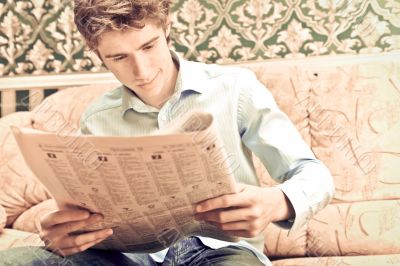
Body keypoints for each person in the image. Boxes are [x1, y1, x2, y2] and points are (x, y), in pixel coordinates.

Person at [0, 0, 334, 265]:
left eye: (148, 46)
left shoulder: (236, 89)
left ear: (167, 29)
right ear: (98, 56)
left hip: (220, 253)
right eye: (119, 57)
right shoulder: (95, 119)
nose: (141, 71)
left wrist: (277, 202)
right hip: (125, 258)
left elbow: (313, 173)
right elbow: (87, 210)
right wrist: (64, 232)